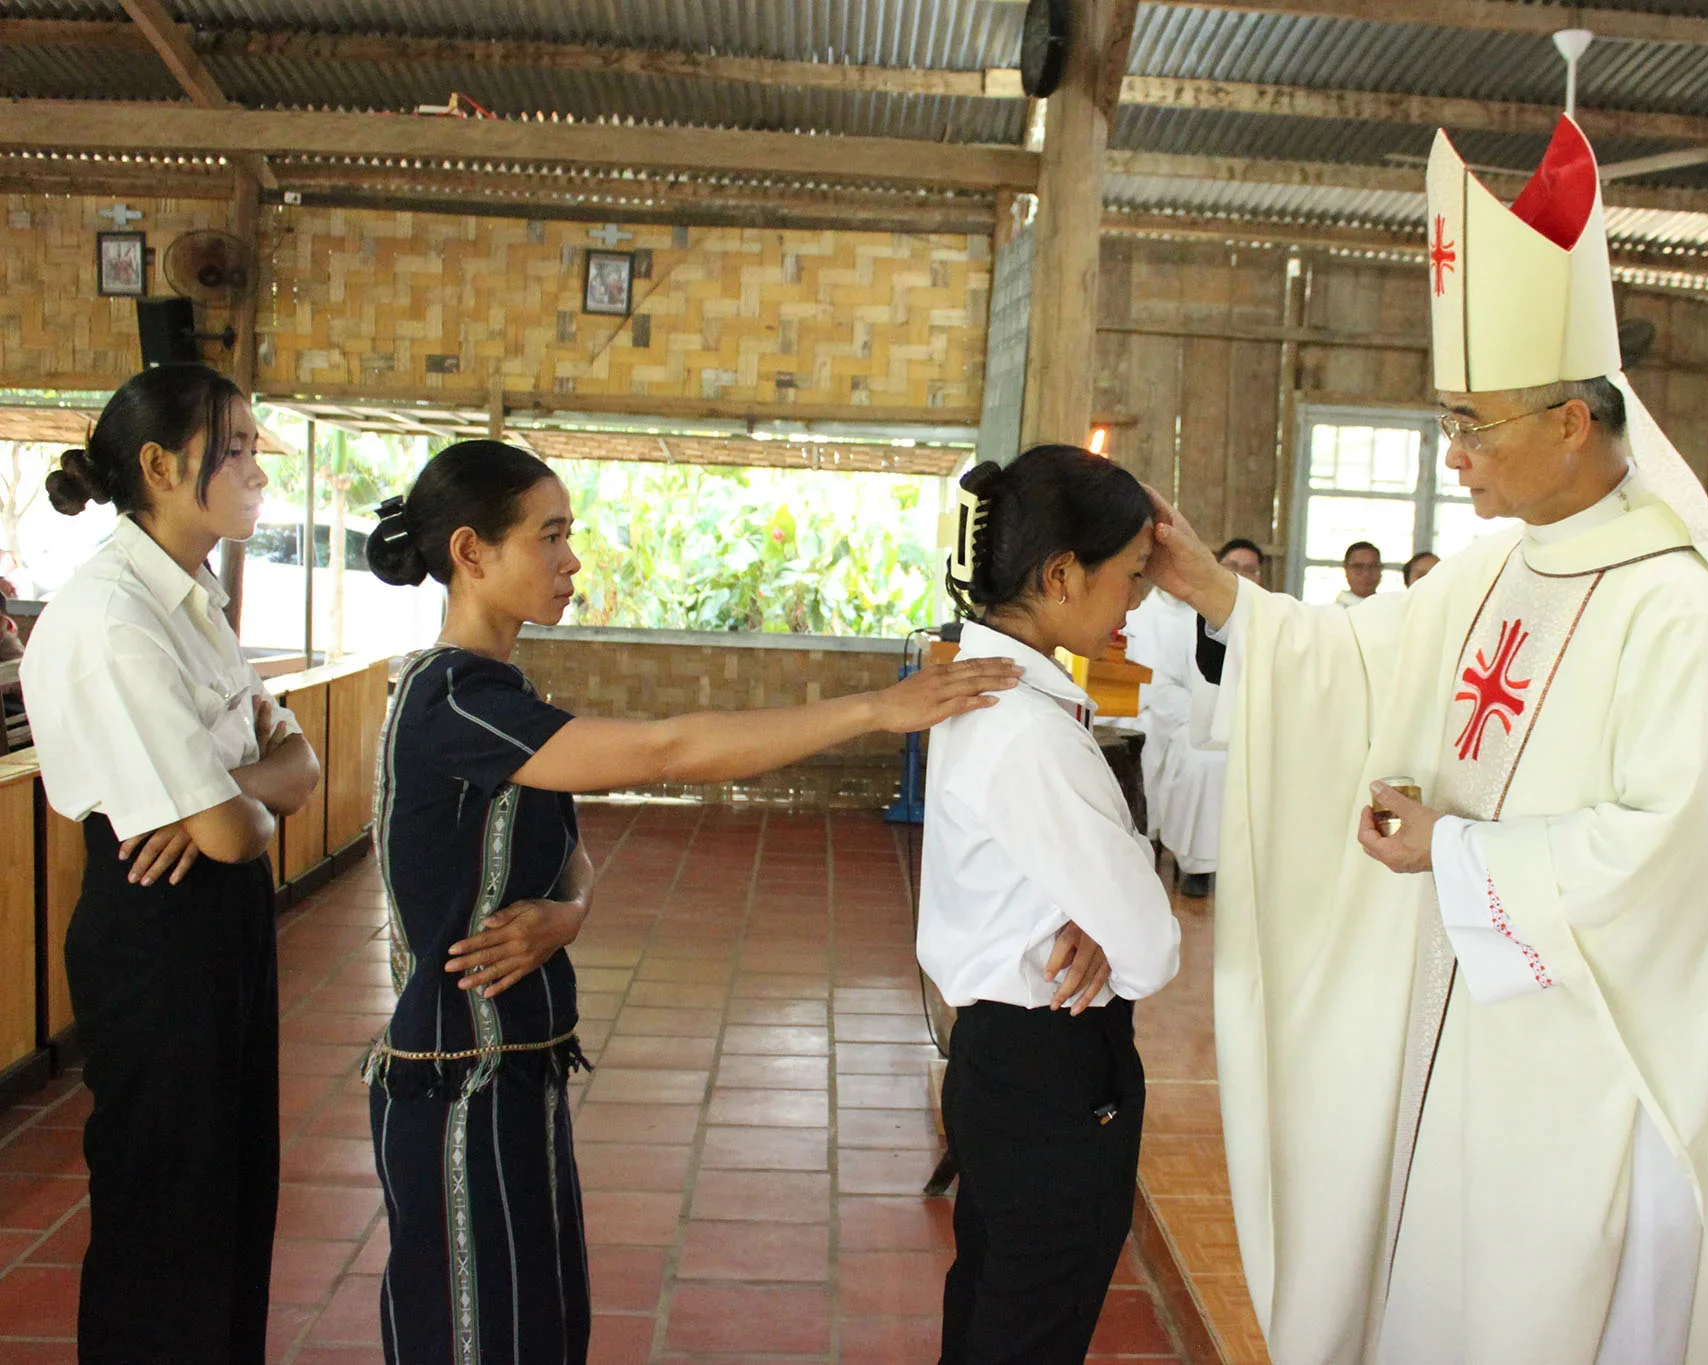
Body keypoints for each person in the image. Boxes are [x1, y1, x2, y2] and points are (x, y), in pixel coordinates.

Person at [1146, 114, 1708, 1364]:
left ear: (1569, 421)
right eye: (1445, 422)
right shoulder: (1497, 565)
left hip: (1593, 1069)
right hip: (1464, 1028)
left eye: (1473, 426)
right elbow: (1352, 659)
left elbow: (1673, 859)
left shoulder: (1681, 616)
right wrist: (1213, 592)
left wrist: (1462, 856)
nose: (1455, 458)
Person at [362, 439, 1022, 1364]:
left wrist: (571, 914)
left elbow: (570, 857)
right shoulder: (451, 701)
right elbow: (668, 751)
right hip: (457, 1078)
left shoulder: (503, 698)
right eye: (548, 537)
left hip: (514, 1066)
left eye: (571, 535)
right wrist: (875, 708)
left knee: (539, 1325)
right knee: (475, 1335)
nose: (570, 561)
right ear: (471, 552)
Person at [19, 364, 323, 1363]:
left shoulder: (187, 593)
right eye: (232, 448)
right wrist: (246, 800)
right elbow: (239, 829)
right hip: (156, 922)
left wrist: (242, 792)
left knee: (232, 1186)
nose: (257, 471)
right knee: (167, 1202)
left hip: (219, 919)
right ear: (158, 464)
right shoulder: (114, 618)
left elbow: (298, 763)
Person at [920, 445, 1182, 1364]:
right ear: (1062, 573)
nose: (1136, 604)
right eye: (1130, 577)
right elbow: (1150, 947)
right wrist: (1112, 913)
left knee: (995, 1300)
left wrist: (1097, 901)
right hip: (1054, 1067)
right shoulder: (1029, 728)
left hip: (1001, 1057)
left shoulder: (982, 688)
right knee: (1032, 1322)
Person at [1125, 538, 1264, 899]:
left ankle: (1200, 865)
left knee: (1206, 761)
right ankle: (1146, 849)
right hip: (1138, 709)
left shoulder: (1212, 615)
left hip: (1198, 715)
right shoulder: (1134, 610)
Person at [1335, 540, 1381, 606]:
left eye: (1373, 566)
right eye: (1358, 567)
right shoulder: (1334, 612)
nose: (1366, 573)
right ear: (1346, 569)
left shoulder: (1391, 607)